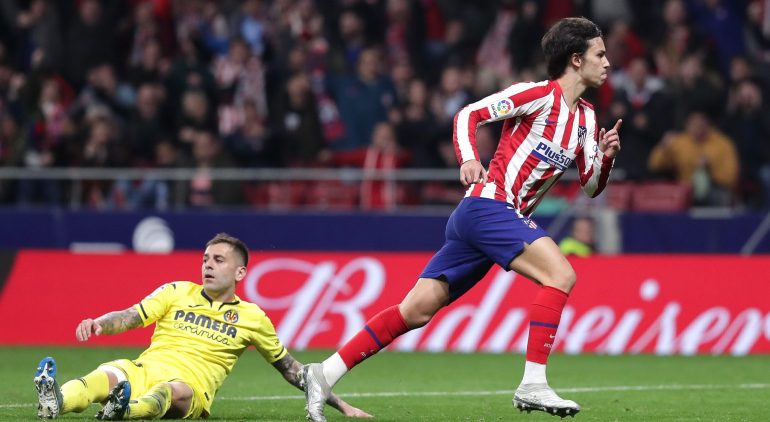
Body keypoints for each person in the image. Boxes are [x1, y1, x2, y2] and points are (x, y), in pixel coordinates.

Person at [299, 17, 622, 420]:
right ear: (576, 59)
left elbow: (591, 186)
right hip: (488, 206)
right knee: (560, 274)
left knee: (415, 311)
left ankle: (323, 373)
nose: (607, 63)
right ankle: (533, 384)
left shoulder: (587, 119)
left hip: (488, 221)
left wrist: (606, 157)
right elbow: (469, 114)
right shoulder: (537, 95)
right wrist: (469, 158)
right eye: (599, 54)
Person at [33, 233, 370, 420]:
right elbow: (130, 315)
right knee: (105, 374)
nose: (208, 265)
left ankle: (124, 411)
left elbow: (294, 371)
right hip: (145, 368)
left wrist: (341, 405)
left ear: (240, 273)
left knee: (170, 391)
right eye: (205, 259)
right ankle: (56, 402)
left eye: (218, 260)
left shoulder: (253, 317)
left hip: (191, 387)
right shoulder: (176, 291)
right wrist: (99, 324)